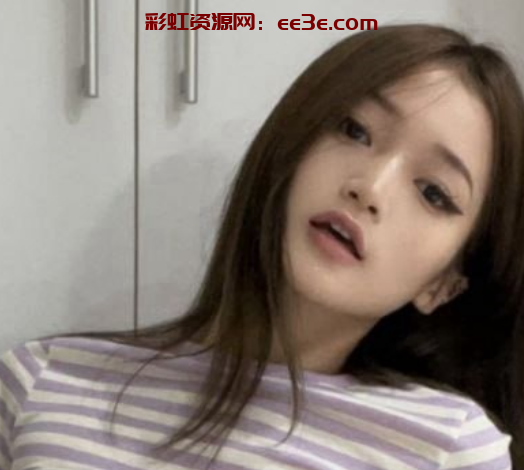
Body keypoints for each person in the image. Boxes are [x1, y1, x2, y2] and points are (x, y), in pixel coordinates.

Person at [1, 22, 522, 470]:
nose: (370, 188)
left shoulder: (448, 447)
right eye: (354, 130)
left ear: (444, 284)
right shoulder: (41, 382)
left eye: (434, 193)